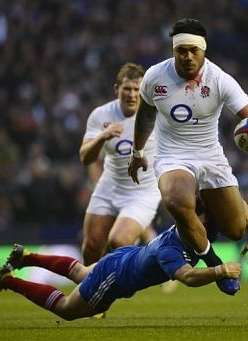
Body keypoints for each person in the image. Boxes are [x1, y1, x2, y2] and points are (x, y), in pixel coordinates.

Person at [127, 18, 248, 293]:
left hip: (210, 157)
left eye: (193, 51)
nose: (187, 57)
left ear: (203, 51)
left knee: (234, 230)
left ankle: (202, 213)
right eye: (181, 50)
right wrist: (138, 151)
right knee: (175, 199)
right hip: (172, 156)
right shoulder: (154, 77)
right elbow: (145, 116)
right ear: (173, 50)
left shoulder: (220, 80)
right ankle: (214, 262)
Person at [0, 198, 248, 321]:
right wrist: (220, 270)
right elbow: (187, 277)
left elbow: (236, 202)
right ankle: (9, 281)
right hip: (115, 277)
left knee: (80, 272)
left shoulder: (191, 230)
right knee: (68, 309)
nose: (208, 227)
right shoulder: (173, 251)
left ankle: (27, 257)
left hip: (122, 257)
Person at [79, 62, 161, 265]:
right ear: (117, 89)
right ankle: (89, 295)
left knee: (118, 240)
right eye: (127, 89)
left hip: (143, 192)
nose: (132, 95)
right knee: (91, 247)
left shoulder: (157, 114)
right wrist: (101, 137)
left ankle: (138, 273)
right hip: (109, 186)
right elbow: (85, 158)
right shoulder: (101, 115)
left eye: (137, 89)